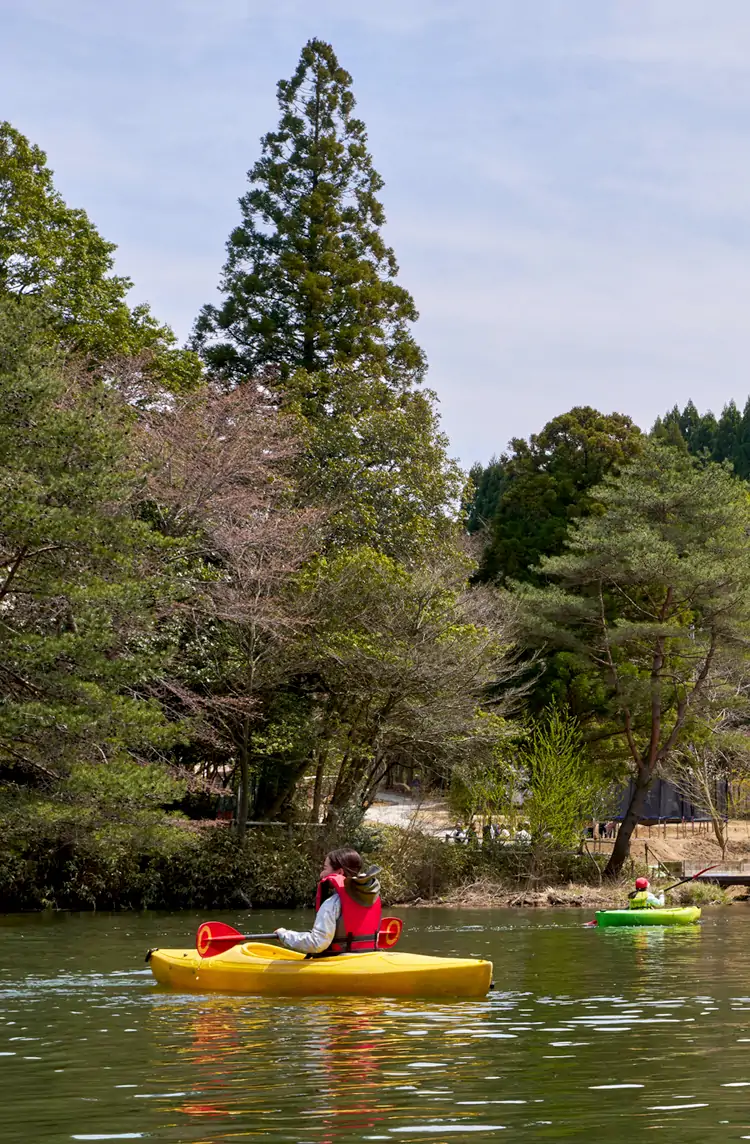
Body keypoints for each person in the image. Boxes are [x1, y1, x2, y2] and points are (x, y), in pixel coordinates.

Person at [274, 848, 382, 956]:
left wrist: (284, 935)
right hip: (369, 957)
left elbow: (317, 943)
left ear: (339, 872)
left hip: (341, 963)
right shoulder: (373, 898)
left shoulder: (333, 903)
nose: (321, 874)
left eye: (325, 868)